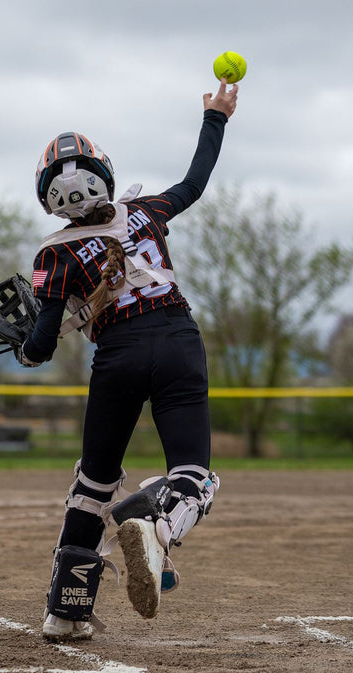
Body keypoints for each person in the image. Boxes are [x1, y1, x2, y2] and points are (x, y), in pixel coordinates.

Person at [22, 79, 238, 641]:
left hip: (117, 354)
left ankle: (66, 611)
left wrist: (28, 347)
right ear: (104, 174)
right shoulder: (144, 212)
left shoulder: (55, 253)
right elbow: (195, 182)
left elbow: (42, 344)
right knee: (194, 472)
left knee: (93, 483)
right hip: (176, 339)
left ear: (49, 196)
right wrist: (215, 116)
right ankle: (158, 528)